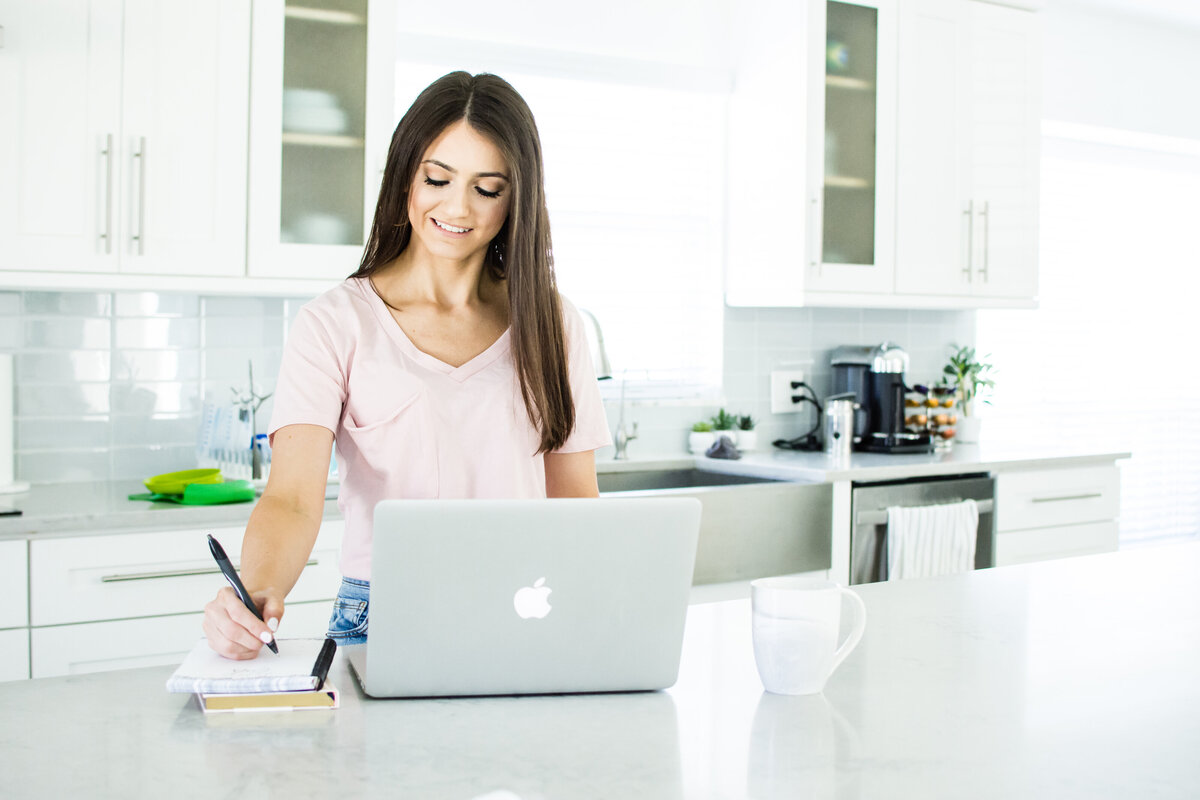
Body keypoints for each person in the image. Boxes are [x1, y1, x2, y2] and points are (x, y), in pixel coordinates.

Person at [203, 72, 612, 659]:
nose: (457, 207)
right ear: (405, 179)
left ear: (517, 198)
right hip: (386, 611)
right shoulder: (335, 323)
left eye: (488, 188)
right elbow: (293, 497)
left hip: (526, 606)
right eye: (437, 179)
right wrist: (256, 592)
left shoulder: (553, 323)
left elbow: (575, 499)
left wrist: (595, 611)